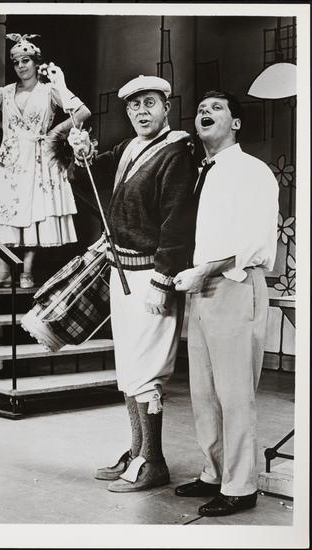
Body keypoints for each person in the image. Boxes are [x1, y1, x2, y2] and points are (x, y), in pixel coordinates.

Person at [67, 75, 198, 492]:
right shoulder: (127, 148)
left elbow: (177, 222)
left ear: (166, 107)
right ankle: (137, 449)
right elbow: (86, 179)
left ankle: (153, 460)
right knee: (129, 368)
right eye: (134, 105)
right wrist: (81, 155)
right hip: (121, 270)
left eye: (149, 103)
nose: (141, 111)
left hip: (151, 276)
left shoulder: (178, 151)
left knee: (147, 371)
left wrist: (163, 280)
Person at [173, 91, 279, 516]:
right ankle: (213, 472)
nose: (205, 112)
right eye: (201, 108)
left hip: (235, 284)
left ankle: (241, 486)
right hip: (202, 287)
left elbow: (254, 241)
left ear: (236, 123)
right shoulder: (204, 172)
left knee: (235, 393)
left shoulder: (252, 171)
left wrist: (205, 270)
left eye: (216, 108)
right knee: (203, 391)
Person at [0, 33, 91, 289]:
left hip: (38, 158)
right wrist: (11, 133)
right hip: (9, 159)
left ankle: (26, 272)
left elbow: (82, 111)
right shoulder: (5, 92)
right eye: (16, 62)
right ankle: (2, 272)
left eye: (26, 60)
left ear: (35, 62)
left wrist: (54, 132)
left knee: (32, 213)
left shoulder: (49, 90)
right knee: (3, 212)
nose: (21, 66)